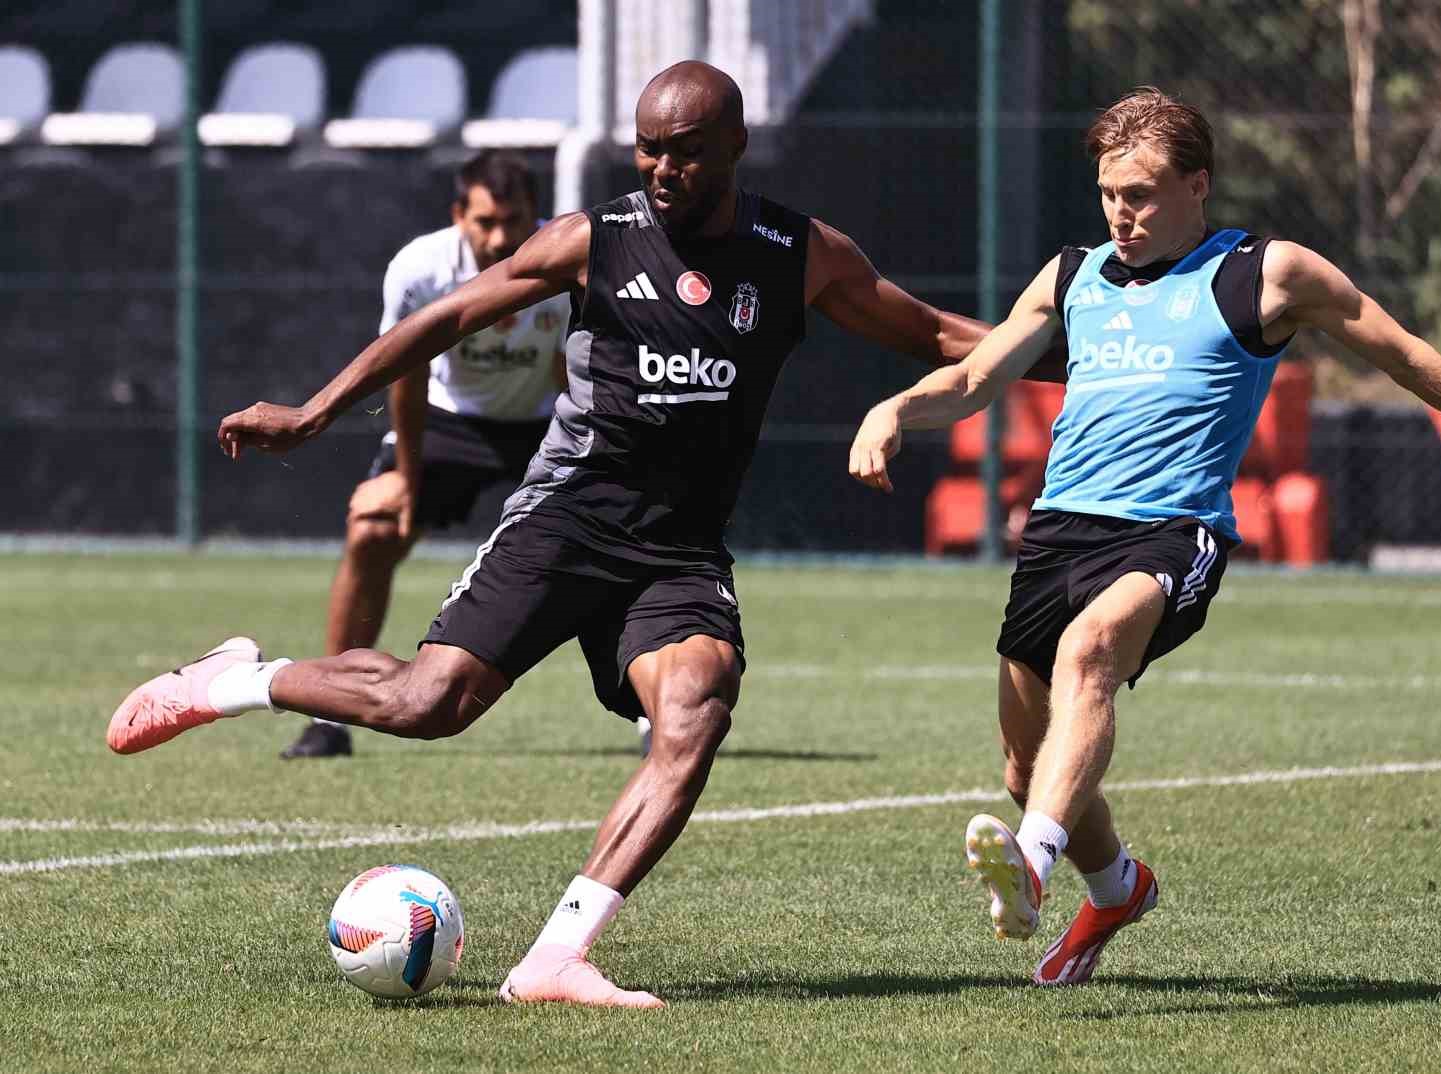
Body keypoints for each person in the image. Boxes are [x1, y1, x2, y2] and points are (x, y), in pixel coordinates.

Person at [103, 61, 1041, 1009]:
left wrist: (1073, 354)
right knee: (430, 704)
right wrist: (315, 412)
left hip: (678, 549)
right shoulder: (594, 239)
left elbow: (932, 332)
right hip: (568, 517)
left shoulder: (798, 252)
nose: (662, 168)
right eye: (647, 148)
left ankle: (556, 957)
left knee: (696, 708)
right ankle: (236, 680)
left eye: (685, 152)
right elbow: (445, 317)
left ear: (735, 147)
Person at [848, 86, 1441, 989]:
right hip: (1058, 534)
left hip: (1174, 532)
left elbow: (1403, 353)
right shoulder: (1072, 276)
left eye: (1141, 194)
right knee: (1024, 763)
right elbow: (975, 377)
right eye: (1108, 195)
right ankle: (1117, 887)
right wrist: (895, 410)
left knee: (1091, 654)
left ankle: (1033, 867)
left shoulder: (1263, 274)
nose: (1120, 215)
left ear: (1197, 185)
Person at [283, 151, 571, 760]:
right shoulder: (420, 269)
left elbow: (573, 370)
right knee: (372, 528)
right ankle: (328, 719)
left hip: (544, 422)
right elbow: (407, 376)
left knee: (608, 544)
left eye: (514, 221)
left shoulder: (569, 259)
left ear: (535, 216)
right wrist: (407, 481)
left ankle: (649, 720)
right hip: (448, 422)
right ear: (458, 215)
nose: (500, 239)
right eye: (485, 222)